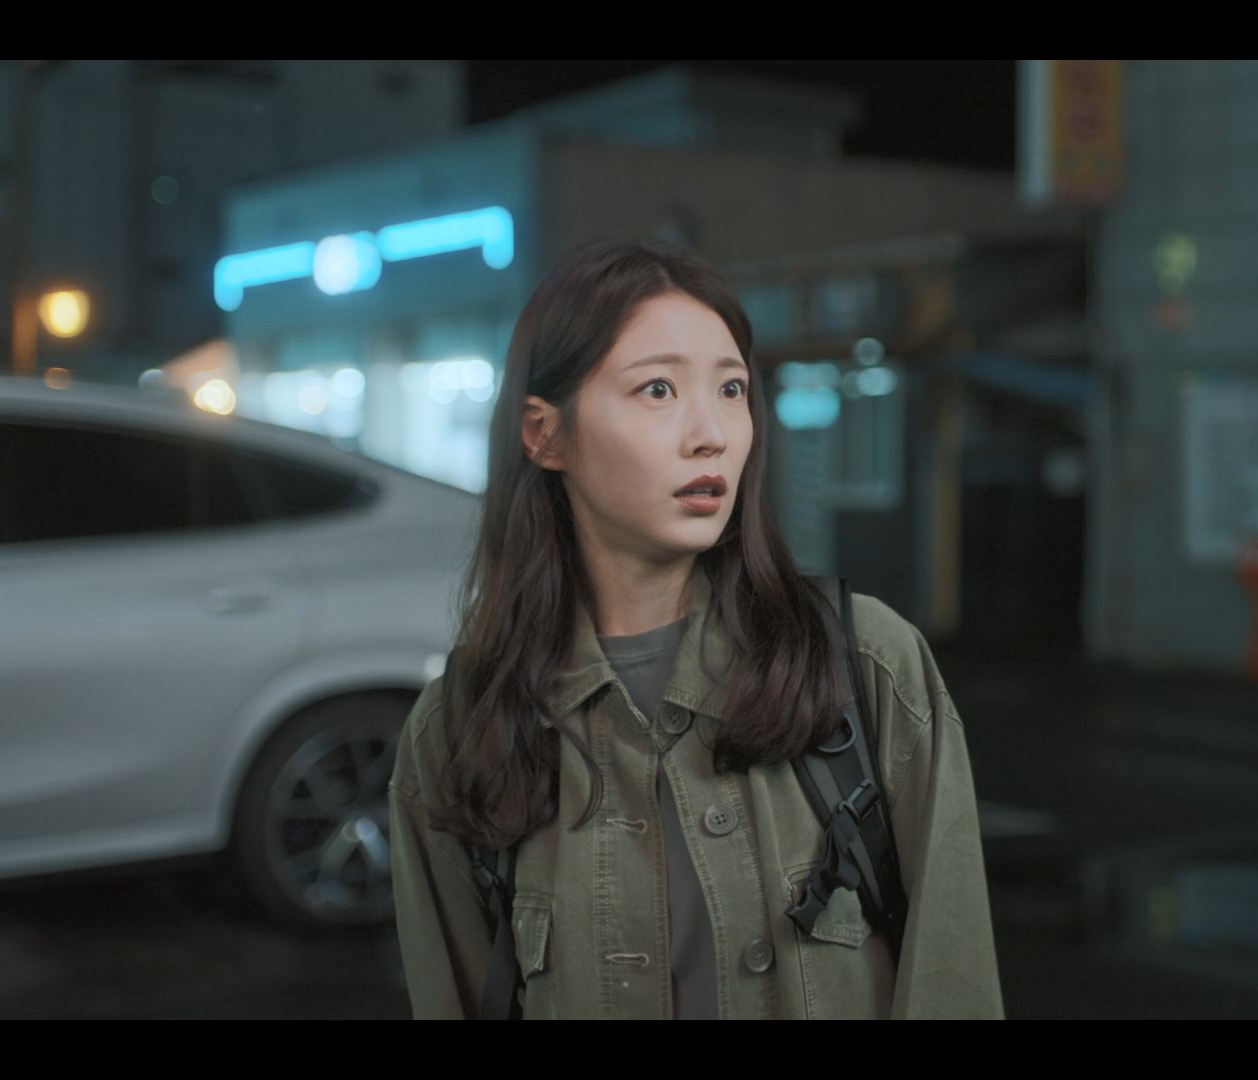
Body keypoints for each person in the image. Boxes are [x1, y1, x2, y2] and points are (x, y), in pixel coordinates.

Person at [386, 238, 1003, 1019]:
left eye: (732, 388)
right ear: (544, 434)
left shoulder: (867, 665)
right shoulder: (458, 730)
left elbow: (955, 989)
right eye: (658, 389)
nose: (711, 432)